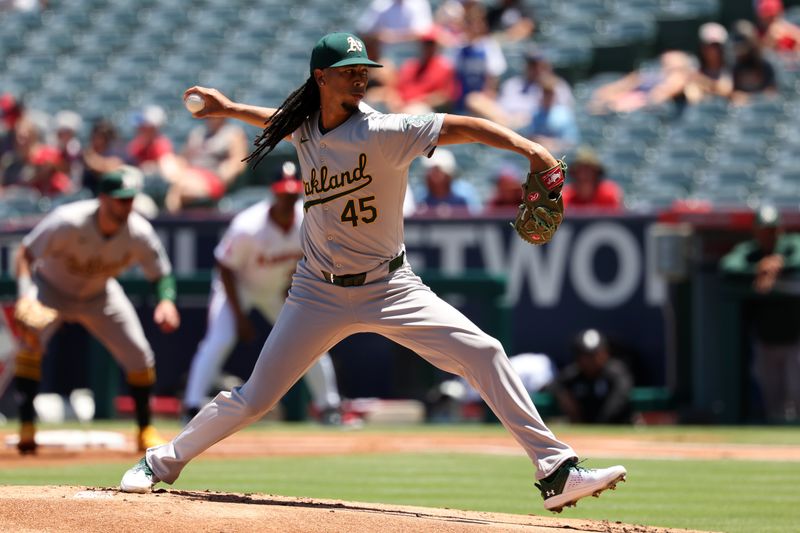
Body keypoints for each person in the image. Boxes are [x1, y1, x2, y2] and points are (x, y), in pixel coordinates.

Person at [120, 32, 626, 513]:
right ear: (321, 77)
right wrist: (228, 108)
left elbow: (461, 125)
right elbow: (275, 119)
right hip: (316, 291)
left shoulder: (385, 131)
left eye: (364, 69)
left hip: (391, 287)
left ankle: (556, 470)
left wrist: (531, 149)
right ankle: (159, 461)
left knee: (485, 351)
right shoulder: (305, 127)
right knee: (255, 397)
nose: (360, 77)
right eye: (348, 70)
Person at [12, 165, 180, 454]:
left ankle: (145, 430)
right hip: (51, 289)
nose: (126, 205)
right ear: (103, 198)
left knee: (139, 354)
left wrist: (165, 301)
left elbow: (161, 273)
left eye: (130, 199)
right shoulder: (68, 220)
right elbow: (25, 254)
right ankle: (27, 426)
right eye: (120, 198)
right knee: (29, 344)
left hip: (99, 294)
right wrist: (25, 294)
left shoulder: (139, 230)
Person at [183, 169, 344, 425]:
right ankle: (191, 406)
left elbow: (314, 260)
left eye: (293, 194)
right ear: (274, 193)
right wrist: (238, 316)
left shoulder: (308, 220)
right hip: (238, 288)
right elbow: (225, 267)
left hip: (276, 290)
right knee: (220, 340)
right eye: (283, 194)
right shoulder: (249, 225)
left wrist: (291, 290)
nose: (288, 200)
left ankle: (328, 406)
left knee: (311, 342)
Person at [720, 205, 800, 423]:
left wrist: (779, 264)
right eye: (764, 230)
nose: (768, 235)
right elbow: (728, 265)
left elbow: (798, 259)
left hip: (794, 340)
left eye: (772, 230)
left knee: (796, 393)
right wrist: (759, 267)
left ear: (780, 230)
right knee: (772, 397)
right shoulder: (750, 250)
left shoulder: (791, 244)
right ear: (756, 231)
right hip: (765, 339)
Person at [468, 46, 574, 131]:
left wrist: (526, 118)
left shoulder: (555, 86)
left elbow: (561, 114)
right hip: (506, 121)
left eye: (538, 65)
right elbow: (501, 107)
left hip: (533, 126)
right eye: (531, 65)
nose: (535, 69)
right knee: (474, 99)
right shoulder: (513, 84)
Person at [164, 116, 249, 212]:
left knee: (180, 188)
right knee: (179, 183)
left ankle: (172, 220)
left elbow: (239, 162)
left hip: (213, 177)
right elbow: (183, 158)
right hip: (190, 175)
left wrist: (228, 170)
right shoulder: (198, 133)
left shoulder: (233, 133)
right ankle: (174, 220)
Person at [550, 329, 634, 424]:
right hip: (583, 430)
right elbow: (554, 385)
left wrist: (599, 422)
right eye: (586, 355)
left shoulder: (616, 373)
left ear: (605, 353)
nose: (592, 360)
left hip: (617, 427)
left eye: (595, 354)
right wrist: (566, 400)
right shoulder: (574, 374)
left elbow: (618, 401)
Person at [588, 51, 694, 114]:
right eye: (665, 62)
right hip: (627, 105)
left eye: (672, 62)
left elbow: (657, 96)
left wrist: (623, 105)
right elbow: (606, 92)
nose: (668, 64)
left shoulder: (681, 77)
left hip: (645, 111)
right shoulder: (648, 76)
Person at [384, 26, 457, 114]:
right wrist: (395, 101)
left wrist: (420, 101)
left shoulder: (445, 67)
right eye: (425, 44)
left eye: (430, 44)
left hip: (425, 111)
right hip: (402, 107)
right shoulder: (410, 65)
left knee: (415, 111)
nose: (427, 47)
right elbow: (395, 89)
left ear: (436, 46)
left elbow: (445, 97)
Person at [523, 75, 580, 154]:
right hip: (539, 154)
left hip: (559, 156)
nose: (547, 96)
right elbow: (529, 138)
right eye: (545, 93)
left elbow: (571, 142)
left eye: (550, 93)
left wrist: (550, 143)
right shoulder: (536, 114)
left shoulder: (564, 114)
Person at [730, 19, 779, 104]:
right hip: (743, 110)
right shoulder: (736, 65)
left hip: (763, 107)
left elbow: (772, 93)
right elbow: (734, 92)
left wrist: (750, 98)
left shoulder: (765, 63)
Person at [415, 148, 477, 213]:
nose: (433, 173)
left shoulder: (465, 193)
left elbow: (474, 217)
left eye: (437, 169)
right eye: (429, 169)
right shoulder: (421, 197)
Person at [561, 147, 623, 211]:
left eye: (589, 170)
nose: (585, 175)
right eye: (581, 170)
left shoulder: (609, 195)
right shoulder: (566, 197)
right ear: (574, 174)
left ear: (596, 174)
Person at [686, 22, 733, 102]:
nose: (712, 51)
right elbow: (693, 96)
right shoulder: (694, 65)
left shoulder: (731, 66)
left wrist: (702, 81)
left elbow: (726, 90)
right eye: (708, 46)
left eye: (716, 46)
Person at [357, 0, 433, 44]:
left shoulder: (419, 3)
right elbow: (364, 31)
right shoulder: (379, 4)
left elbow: (425, 32)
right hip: (385, 54)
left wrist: (392, 36)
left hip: (414, 53)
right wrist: (380, 35)